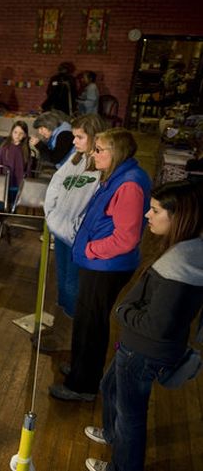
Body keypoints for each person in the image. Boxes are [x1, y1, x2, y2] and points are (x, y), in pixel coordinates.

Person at [84, 180, 203, 471]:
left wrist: (122, 312)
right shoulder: (191, 251)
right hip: (143, 347)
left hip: (142, 351)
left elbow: (155, 324)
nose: (148, 216)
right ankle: (112, 435)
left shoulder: (178, 266)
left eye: (155, 210)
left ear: (179, 217)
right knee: (109, 387)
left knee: (131, 416)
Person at [49, 128, 151, 402]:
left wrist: (90, 249)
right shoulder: (119, 176)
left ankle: (83, 386)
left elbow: (126, 239)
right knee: (86, 321)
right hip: (100, 264)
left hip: (107, 265)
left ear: (114, 152)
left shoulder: (129, 184)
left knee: (92, 325)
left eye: (99, 150)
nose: (93, 154)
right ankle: (82, 369)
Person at [39, 114, 107, 352]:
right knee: (61, 281)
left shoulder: (100, 166)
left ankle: (67, 338)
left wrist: (72, 225)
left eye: (80, 137)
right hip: (61, 229)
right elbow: (57, 184)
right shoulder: (76, 158)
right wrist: (53, 215)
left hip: (77, 237)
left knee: (72, 285)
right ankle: (60, 327)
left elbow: (87, 203)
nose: (74, 141)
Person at [0, 120, 31, 195]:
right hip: (5, 182)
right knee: (2, 204)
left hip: (19, 183)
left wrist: (27, 181)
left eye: (21, 133)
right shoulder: (4, 147)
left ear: (25, 135)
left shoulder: (26, 149)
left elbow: (28, 167)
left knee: (14, 204)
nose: (17, 135)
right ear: (11, 132)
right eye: (15, 132)